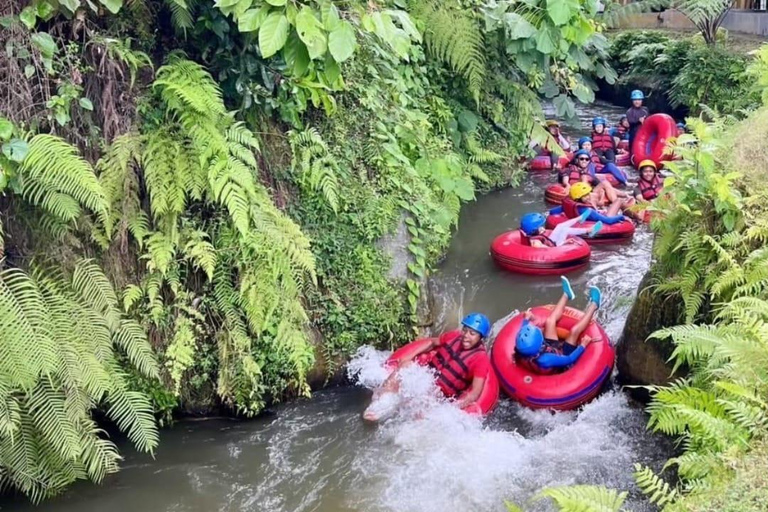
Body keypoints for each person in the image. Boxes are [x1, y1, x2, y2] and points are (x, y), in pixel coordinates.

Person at [364, 313, 493, 420]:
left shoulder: (480, 359)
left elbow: (474, 392)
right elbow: (432, 343)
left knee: (422, 407)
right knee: (406, 367)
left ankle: (407, 425)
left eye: (472, 333)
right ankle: (381, 403)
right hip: (427, 376)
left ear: (480, 337)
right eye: (465, 330)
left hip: (440, 394)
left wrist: (451, 409)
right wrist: (410, 356)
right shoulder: (454, 336)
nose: (466, 336)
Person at [514, 276, 601, 373]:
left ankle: (567, 295)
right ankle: (594, 305)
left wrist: (526, 319)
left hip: (550, 349)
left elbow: (523, 330)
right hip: (562, 358)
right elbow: (569, 359)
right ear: (540, 342)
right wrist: (583, 345)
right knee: (574, 331)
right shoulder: (546, 360)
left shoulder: (521, 347)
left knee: (549, 321)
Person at [519, 211, 602, 248]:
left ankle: (580, 218)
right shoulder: (536, 242)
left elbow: (547, 242)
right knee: (565, 230)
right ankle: (588, 231)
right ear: (533, 230)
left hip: (551, 241)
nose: (542, 227)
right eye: (540, 227)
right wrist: (564, 242)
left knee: (559, 226)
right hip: (555, 246)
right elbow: (550, 250)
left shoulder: (532, 235)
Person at [562, 182, 630, 224]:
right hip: (606, 220)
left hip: (594, 218)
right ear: (578, 197)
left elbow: (553, 211)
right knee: (619, 200)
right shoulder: (588, 211)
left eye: (588, 194)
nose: (588, 197)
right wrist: (622, 217)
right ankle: (633, 218)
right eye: (584, 196)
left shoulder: (573, 204)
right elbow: (608, 220)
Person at [626, 90, 649, 156]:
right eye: (635, 100)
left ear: (641, 100)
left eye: (639, 100)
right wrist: (639, 120)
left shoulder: (645, 110)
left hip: (644, 133)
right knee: (633, 149)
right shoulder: (629, 111)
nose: (637, 102)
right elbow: (631, 121)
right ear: (632, 101)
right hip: (634, 134)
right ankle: (632, 157)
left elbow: (650, 119)